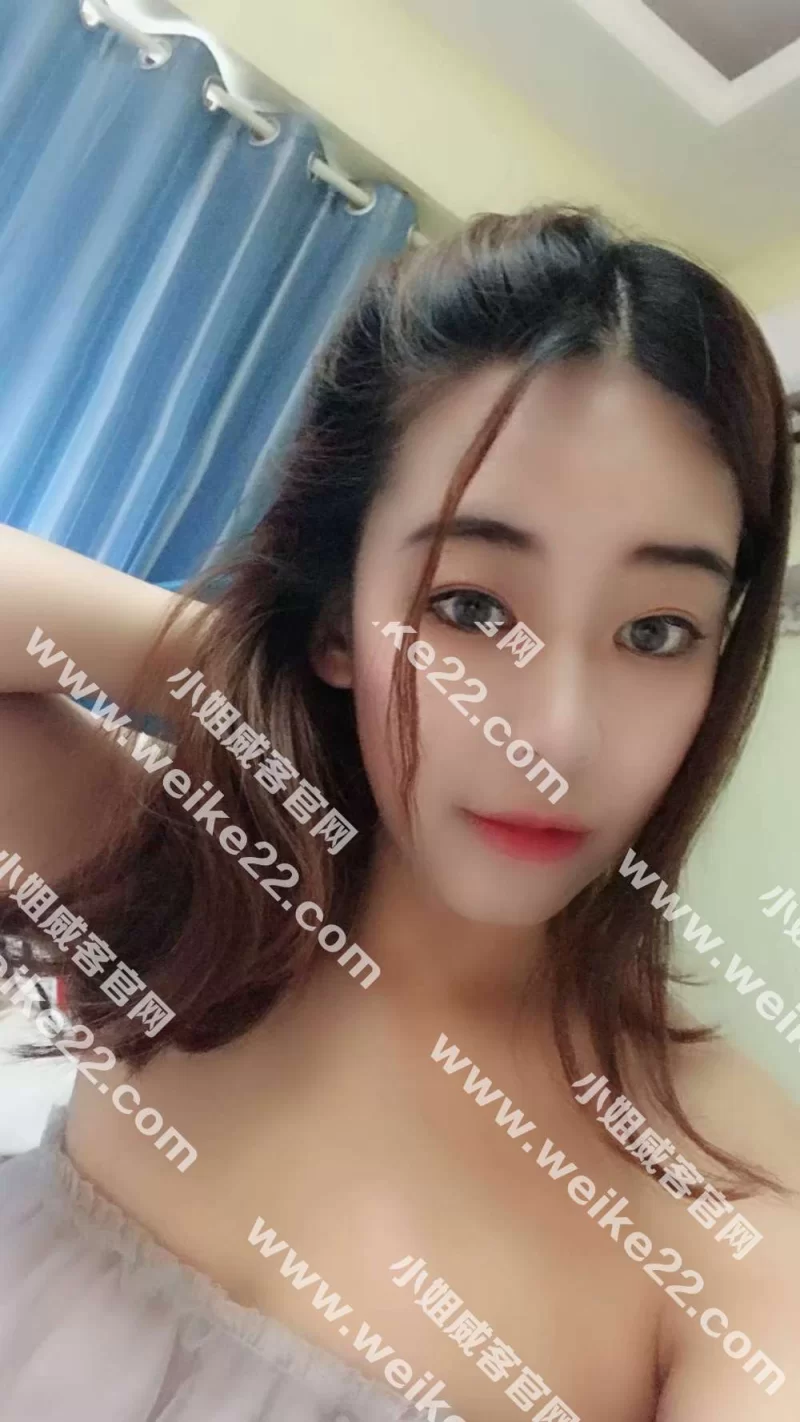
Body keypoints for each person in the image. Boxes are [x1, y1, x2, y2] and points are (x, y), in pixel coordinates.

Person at [0, 203, 798, 1422]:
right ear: (338, 612)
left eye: (653, 631)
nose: (556, 739)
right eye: (469, 606)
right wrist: (251, 670)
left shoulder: (726, 1189)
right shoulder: (187, 882)